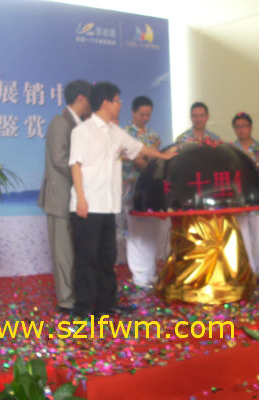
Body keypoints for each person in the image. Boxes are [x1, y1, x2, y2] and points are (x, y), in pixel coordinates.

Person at [68, 82, 176, 318]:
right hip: (88, 205)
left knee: (107, 257)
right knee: (87, 259)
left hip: (109, 205)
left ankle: (106, 305)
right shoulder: (82, 131)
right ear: (105, 103)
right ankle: (84, 309)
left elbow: (139, 148)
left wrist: (163, 155)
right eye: (117, 101)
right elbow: (75, 165)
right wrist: (81, 199)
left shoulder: (115, 132)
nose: (120, 105)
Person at [38, 80, 92, 312]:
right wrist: (86, 171)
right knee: (63, 252)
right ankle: (66, 301)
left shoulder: (79, 123)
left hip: (73, 195)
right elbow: (60, 159)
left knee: (73, 250)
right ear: (81, 98)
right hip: (59, 196)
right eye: (91, 99)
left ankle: (75, 295)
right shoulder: (60, 122)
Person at [121, 96, 169, 288]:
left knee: (151, 233)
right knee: (136, 234)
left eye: (148, 114)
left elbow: (156, 160)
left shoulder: (154, 136)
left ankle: (150, 272)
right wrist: (140, 159)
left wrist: (145, 159)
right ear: (133, 112)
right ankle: (139, 276)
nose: (145, 118)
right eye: (142, 114)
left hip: (151, 191)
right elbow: (131, 158)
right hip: (132, 190)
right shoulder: (124, 133)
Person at [231, 112, 259, 279]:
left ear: (250, 127)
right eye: (237, 127)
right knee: (243, 235)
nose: (241, 130)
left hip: (258, 197)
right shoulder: (231, 149)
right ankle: (250, 270)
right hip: (239, 199)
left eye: (244, 126)